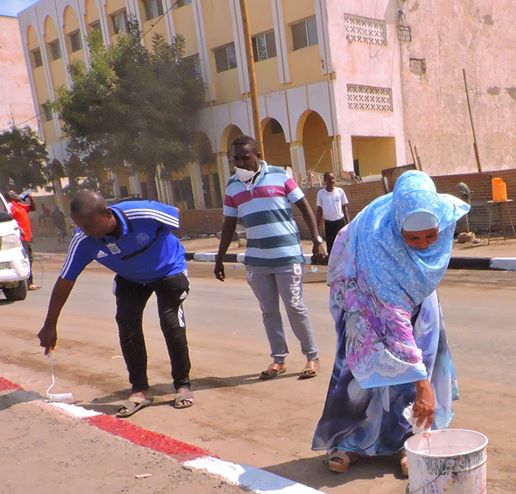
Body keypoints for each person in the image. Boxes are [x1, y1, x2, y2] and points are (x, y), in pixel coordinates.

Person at [312, 170, 469, 474]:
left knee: (421, 353)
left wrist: (422, 383)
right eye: (413, 238)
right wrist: (423, 385)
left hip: (420, 296)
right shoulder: (378, 243)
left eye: (430, 236)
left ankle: (409, 441)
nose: (424, 245)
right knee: (364, 364)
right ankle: (350, 440)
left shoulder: (441, 214)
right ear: (398, 228)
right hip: (366, 292)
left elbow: (427, 253)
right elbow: (396, 327)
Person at [37, 190, 194, 416]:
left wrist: (171, 246)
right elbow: (65, 280)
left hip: (168, 270)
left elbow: (176, 216)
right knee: (127, 323)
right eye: (80, 226)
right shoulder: (84, 240)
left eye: (89, 225)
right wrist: (50, 324)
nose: (84, 231)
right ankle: (140, 390)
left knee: (170, 322)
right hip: (131, 278)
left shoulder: (141, 212)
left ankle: (182, 385)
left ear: (107, 214)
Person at [215, 135, 325, 381]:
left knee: (295, 307)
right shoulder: (232, 185)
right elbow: (229, 223)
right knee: (269, 311)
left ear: (257, 156)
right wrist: (219, 257)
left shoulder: (280, 175)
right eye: (236, 158)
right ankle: (279, 360)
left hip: (287, 256)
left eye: (245, 157)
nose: (240, 162)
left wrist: (317, 240)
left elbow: (305, 206)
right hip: (257, 260)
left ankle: (311, 356)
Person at [7, 190, 38, 290]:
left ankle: (27, 281)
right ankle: (28, 283)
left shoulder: (20, 205)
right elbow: (9, 219)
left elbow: (33, 208)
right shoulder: (10, 206)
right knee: (26, 259)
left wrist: (30, 198)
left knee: (30, 258)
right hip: (19, 238)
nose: (16, 195)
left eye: (15, 193)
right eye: (13, 194)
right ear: (9, 197)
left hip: (27, 238)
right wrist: (19, 229)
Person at [315, 171, 350, 256]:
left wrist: (348, 223)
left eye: (333, 178)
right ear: (325, 180)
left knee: (342, 244)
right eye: (329, 179)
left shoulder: (340, 191)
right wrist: (316, 226)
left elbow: (344, 207)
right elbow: (319, 210)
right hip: (328, 224)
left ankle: (343, 264)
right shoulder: (321, 193)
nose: (331, 180)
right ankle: (331, 265)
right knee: (330, 245)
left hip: (340, 222)